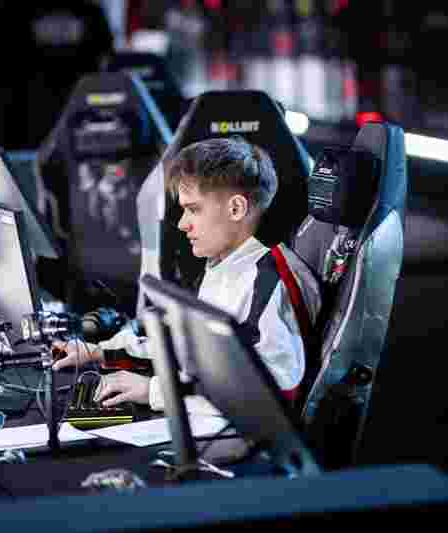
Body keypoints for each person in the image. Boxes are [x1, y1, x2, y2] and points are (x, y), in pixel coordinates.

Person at [52, 135, 321, 410]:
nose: (182, 224)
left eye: (193, 209)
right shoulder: (224, 265)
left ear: (236, 208)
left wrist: (155, 391)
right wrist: (100, 353)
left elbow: (275, 390)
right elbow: (187, 348)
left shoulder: (270, 281)